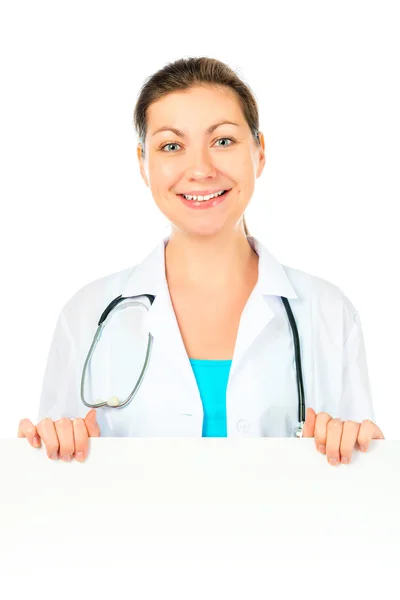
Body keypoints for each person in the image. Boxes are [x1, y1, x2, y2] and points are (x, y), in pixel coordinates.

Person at [18, 56, 384, 465]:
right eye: (171, 146)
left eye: (223, 141)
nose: (200, 169)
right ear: (143, 163)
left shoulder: (329, 314)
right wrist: (46, 444)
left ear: (259, 153)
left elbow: (362, 491)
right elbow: (54, 492)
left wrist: (357, 447)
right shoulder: (87, 316)